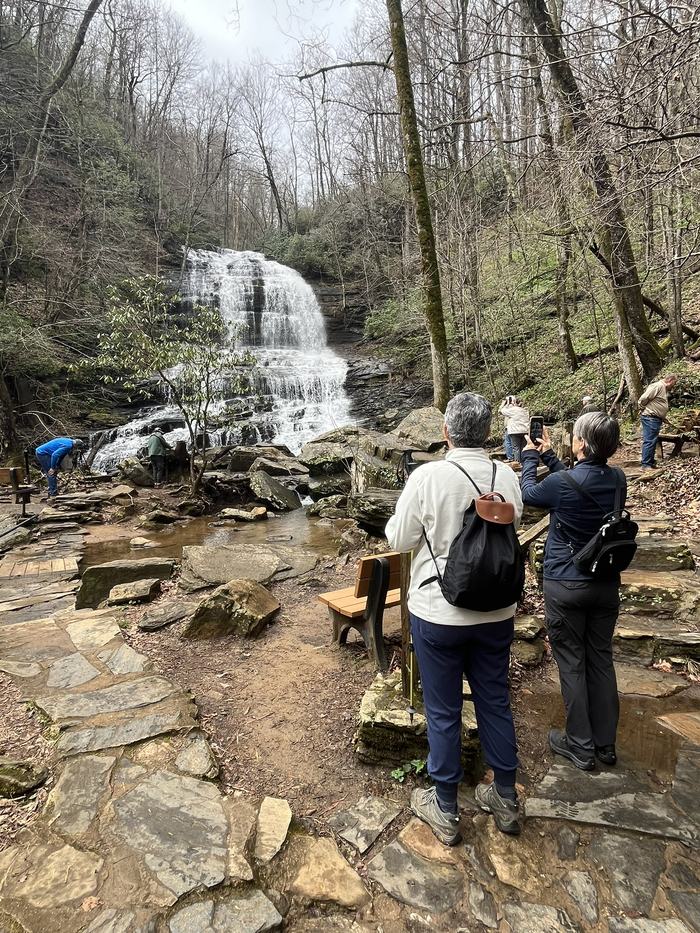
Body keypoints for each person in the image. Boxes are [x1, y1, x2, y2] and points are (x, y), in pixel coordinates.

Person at [386, 392, 524, 843]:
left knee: (443, 710)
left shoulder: (428, 476)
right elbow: (513, 521)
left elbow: (399, 538)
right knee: (495, 700)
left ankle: (445, 808)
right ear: (488, 433)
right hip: (497, 611)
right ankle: (505, 797)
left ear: (446, 432)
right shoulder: (505, 473)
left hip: (438, 612)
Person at [520, 413, 625, 771]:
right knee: (601, 658)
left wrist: (531, 456)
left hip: (565, 583)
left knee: (572, 663)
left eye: (575, 437)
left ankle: (580, 745)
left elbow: (528, 494)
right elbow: (576, 483)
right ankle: (605, 745)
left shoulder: (562, 484)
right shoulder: (618, 479)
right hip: (605, 583)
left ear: (580, 444)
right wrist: (551, 456)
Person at [638, 374, 678, 469]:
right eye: (674, 383)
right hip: (650, 417)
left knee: (653, 440)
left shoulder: (662, 388)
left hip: (655, 418)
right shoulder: (658, 386)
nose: (674, 386)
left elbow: (657, 403)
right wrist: (643, 408)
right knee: (649, 440)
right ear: (670, 380)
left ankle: (650, 462)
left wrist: (662, 416)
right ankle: (646, 464)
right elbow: (643, 398)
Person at [498, 395, 530, 462]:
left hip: (515, 431)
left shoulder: (512, 410)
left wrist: (505, 404)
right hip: (524, 430)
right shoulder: (524, 410)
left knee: (516, 448)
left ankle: (517, 463)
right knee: (523, 447)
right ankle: (524, 462)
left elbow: (501, 411)